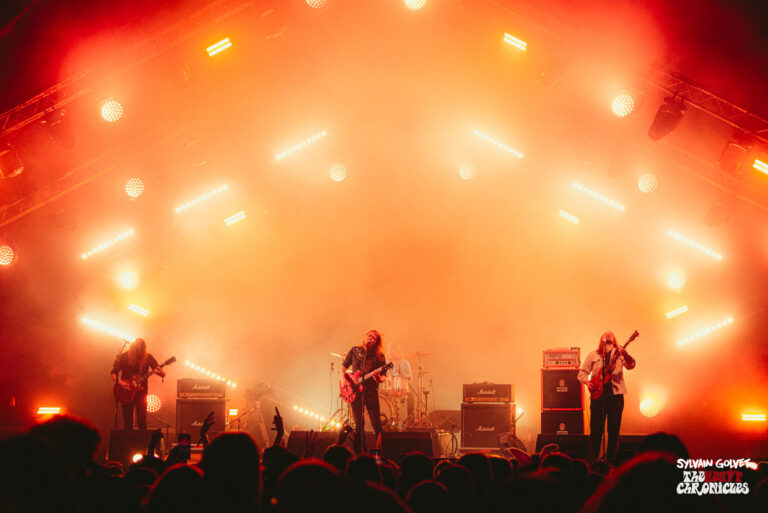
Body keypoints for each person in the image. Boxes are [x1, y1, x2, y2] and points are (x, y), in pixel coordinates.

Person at [577, 331, 636, 462]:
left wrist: (626, 355)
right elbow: (582, 373)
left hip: (616, 396)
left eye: (611, 334)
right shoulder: (594, 355)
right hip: (598, 396)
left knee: (614, 431)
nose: (608, 334)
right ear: (601, 340)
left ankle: (610, 462)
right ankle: (592, 461)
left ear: (614, 339)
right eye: (605, 334)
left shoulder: (620, 354)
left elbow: (631, 366)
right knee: (596, 431)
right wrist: (587, 382)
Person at [341, 329, 388, 453]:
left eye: (374, 338)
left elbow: (383, 376)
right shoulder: (354, 351)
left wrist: (379, 378)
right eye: (370, 336)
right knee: (359, 425)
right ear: (365, 336)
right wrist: (343, 380)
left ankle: (382, 453)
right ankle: (359, 454)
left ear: (377, 342)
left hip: (371, 392)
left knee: (376, 424)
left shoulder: (380, 356)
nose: (371, 339)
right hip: (355, 392)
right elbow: (343, 366)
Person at [110, 338, 166, 430]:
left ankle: (143, 443)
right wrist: (121, 382)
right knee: (128, 422)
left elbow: (163, 374)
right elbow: (113, 373)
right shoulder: (123, 357)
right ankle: (127, 443)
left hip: (141, 393)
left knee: (142, 421)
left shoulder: (148, 357)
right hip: (126, 391)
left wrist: (158, 372)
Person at [386, 344, 414, 422]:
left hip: (403, 390)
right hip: (389, 389)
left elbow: (410, 378)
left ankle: (410, 420)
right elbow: (383, 377)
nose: (390, 353)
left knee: (411, 397)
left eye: (392, 351)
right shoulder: (386, 364)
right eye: (389, 351)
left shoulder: (405, 363)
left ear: (398, 352)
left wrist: (405, 376)